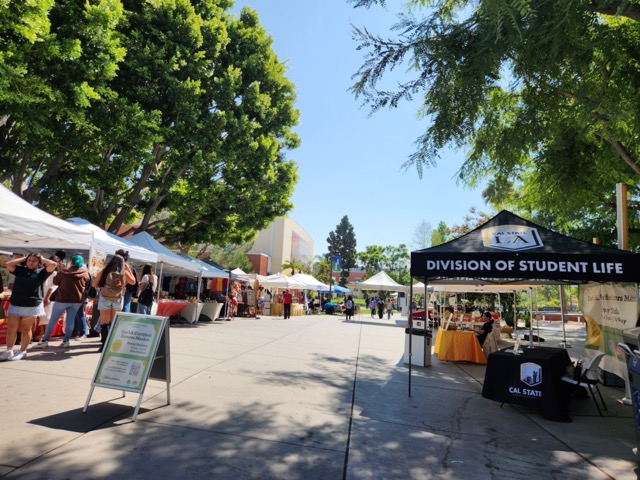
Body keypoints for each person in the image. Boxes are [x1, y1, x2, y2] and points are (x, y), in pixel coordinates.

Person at [0, 253, 58, 361]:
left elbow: (53, 264)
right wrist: (25, 258)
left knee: (25, 329)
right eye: (29, 260)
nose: (31, 262)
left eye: (34, 261)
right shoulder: (20, 269)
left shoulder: (41, 272)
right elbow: (8, 264)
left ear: (38, 262)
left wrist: (42, 258)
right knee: (11, 329)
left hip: (31, 305)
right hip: (16, 303)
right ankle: (9, 351)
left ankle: (23, 351)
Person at [34, 253, 91, 349]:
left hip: (62, 299)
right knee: (70, 320)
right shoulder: (85, 273)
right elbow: (88, 285)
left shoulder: (64, 271)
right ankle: (66, 341)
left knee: (53, 320)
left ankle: (45, 340)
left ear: (71, 262)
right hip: (77, 300)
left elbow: (55, 282)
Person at [93, 254, 136, 352]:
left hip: (105, 298)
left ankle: (104, 344)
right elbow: (133, 282)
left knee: (104, 322)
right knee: (114, 322)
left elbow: (94, 284)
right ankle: (112, 344)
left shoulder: (105, 271)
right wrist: (127, 268)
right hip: (117, 298)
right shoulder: (124, 273)